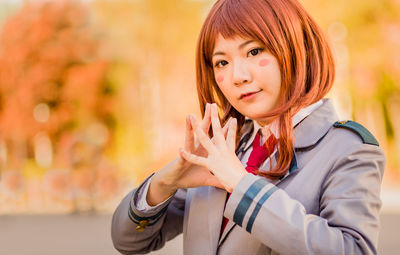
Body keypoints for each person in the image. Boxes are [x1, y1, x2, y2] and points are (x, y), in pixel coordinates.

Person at [111, 0, 385, 254]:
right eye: (222, 62)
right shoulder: (222, 149)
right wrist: (164, 181)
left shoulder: (347, 148)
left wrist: (241, 184)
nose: (238, 77)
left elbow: (352, 249)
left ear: (294, 48)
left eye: (254, 51)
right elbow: (129, 241)